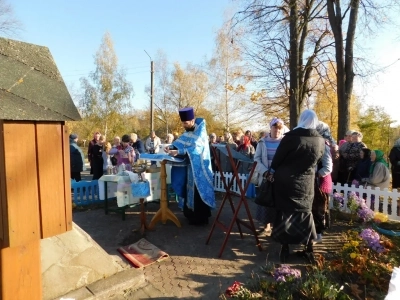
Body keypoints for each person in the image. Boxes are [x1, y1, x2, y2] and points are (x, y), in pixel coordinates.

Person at [269, 109, 325, 263]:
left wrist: (271, 171)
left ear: (301, 119)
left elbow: (277, 159)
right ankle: (308, 247)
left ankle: (285, 247)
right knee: (305, 213)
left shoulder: (291, 138)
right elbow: (318, 161)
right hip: (306, 183)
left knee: (286, 214)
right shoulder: (320, 140)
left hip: (286, 182)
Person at [166, 107, 216, 225]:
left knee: (198, 193)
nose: (184, 125)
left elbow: (196, 148)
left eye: (186, 123)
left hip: (200, 170)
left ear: (192, 121)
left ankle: (201, 218)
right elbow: (181, 143)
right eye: (183, 123)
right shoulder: (188, 131)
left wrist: (179, 152)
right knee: (189, 190)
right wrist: (172, 147)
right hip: (190, 169)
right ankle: (190, 215)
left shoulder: (201, 132)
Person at [254, 117, 285, 235]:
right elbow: (256, 159)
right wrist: (266, 173)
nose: (277, 130)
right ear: (270, 128)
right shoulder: (262, 142)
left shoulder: (284, 142)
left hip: (279, 177)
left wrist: (278, 173)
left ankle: (276, 228)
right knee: (266, 201)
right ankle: (266, 226)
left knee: (278, 202)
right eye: (275, 127)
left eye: (279, 128)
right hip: (265, 176)